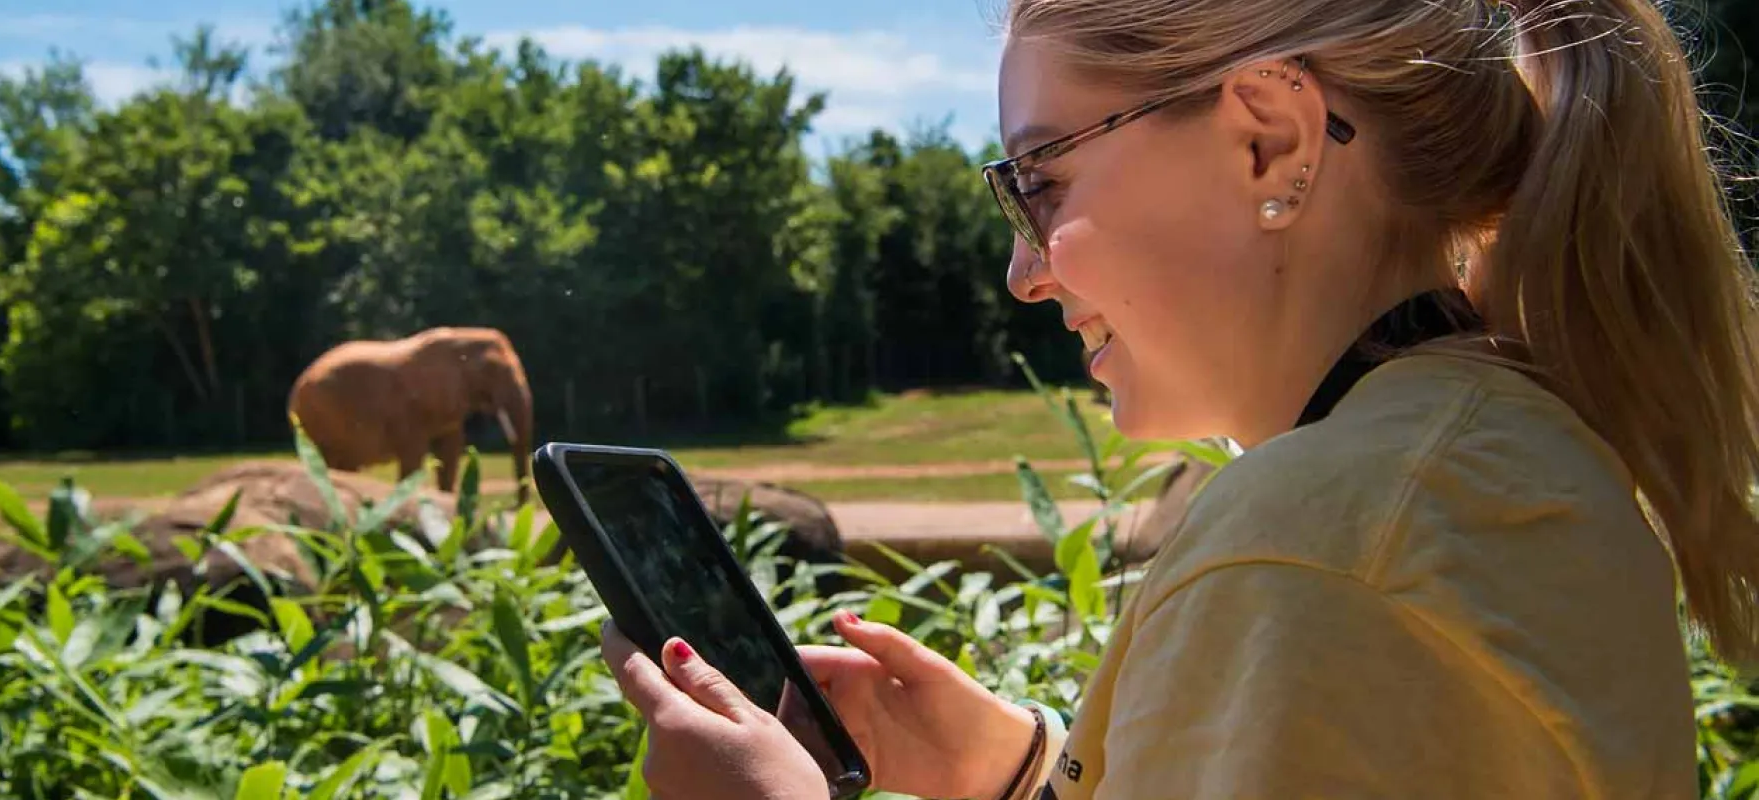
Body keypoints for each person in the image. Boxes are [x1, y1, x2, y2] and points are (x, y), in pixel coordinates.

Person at [597, 0, 1759, 796]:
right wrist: (1019, 768)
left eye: (1039, 179)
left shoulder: (1313, 545)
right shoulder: (1497, 446)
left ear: (1270, 137)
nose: (1025, 270)